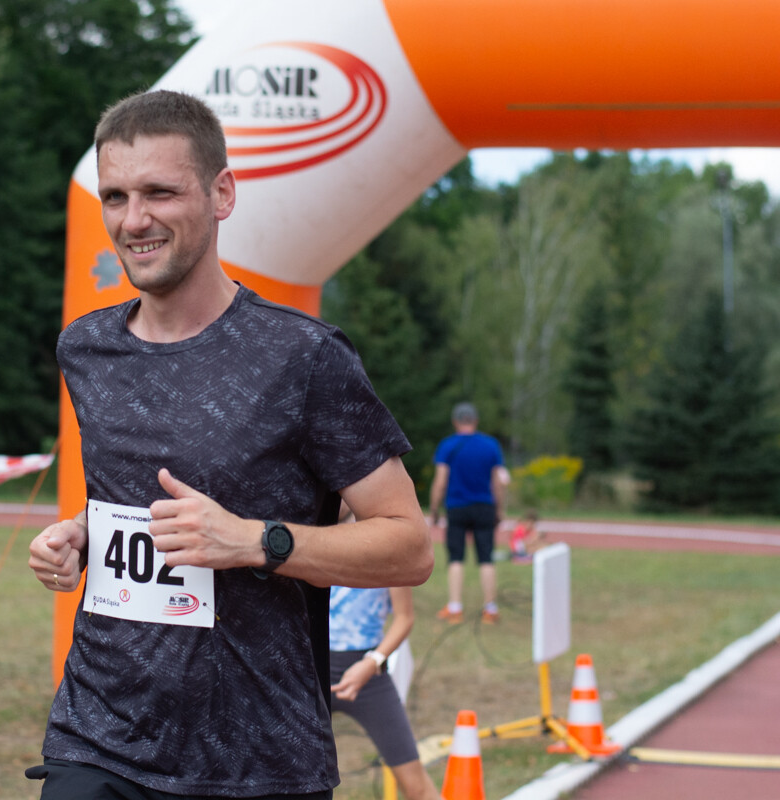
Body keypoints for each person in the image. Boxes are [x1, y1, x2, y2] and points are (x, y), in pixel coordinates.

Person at [26, 89, 433, 800]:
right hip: (99, 735)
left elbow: (409, 546)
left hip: (259, 759)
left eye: (159, 192)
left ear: (222, 194)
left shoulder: (304, 357)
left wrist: (254, 541)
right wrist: (81, 536)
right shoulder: (85, 349)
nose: (133, 220)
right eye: (115, 197)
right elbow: (134, 501)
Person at [328, 507, 438, 800]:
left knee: (416, 785)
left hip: (367, 674)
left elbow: (404, 617)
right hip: (309, 672)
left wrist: (373, 661)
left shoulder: (385, 544)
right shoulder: (305, 534)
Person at [428, 402, 505, 624]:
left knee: (455, 558)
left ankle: (455, 607)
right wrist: (499, 509)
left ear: (455, 422)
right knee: (486, 558)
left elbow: (440, 481)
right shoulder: (491, 445)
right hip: (484, 506)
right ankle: (490, 608)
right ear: (476, 421)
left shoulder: (447, 446)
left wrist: (434, 509)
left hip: (457, 507)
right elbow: (497, 482)